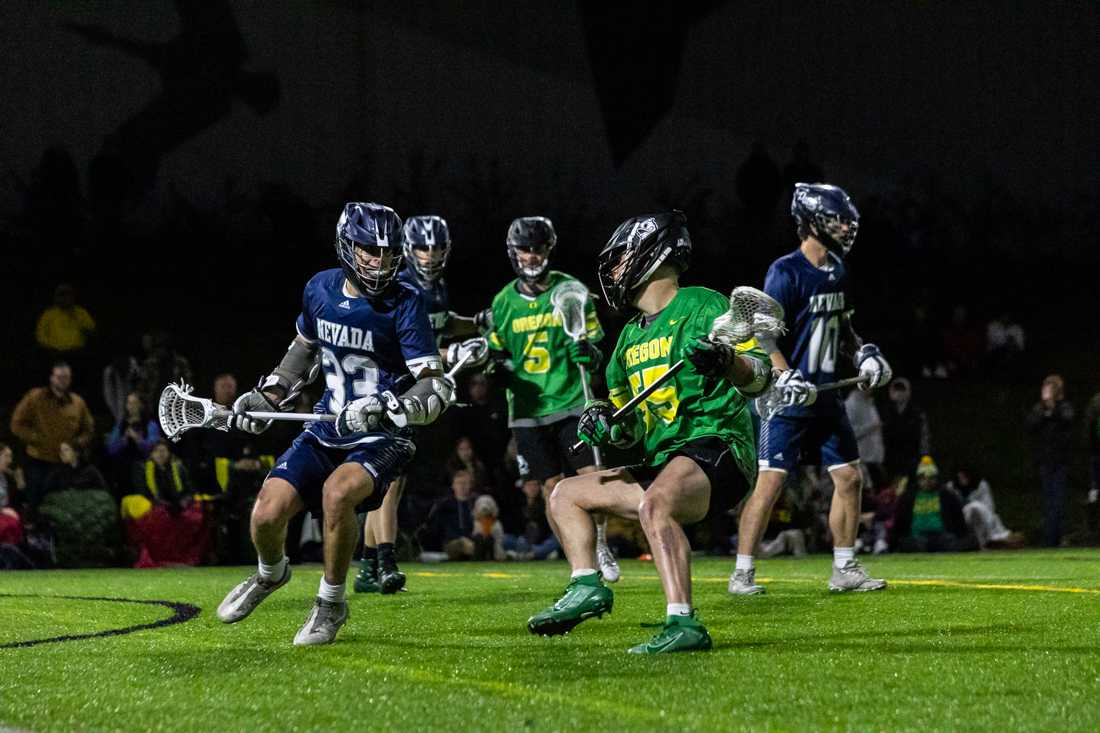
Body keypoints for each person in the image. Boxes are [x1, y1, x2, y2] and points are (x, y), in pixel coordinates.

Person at [527, 211, 772, 653]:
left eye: (621, 258)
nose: (615, 270)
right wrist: (605, 422)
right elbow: (631, 427)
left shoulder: (703, 305)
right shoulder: (626, 342)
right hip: (667, 461)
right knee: (565, 494)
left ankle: (684, 623)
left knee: (657, 503)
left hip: (720, 450)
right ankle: (587, 586)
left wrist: (725, 362)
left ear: (651, 253)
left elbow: (760, 377)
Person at [215, 202, 454, 646]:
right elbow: (303, 351)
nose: (378, 261)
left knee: (337, 492)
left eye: (387, 252)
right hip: (328, 426)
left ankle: (331, 602)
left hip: (384, 434)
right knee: (266, 513)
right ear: (347, 244)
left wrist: (386, 406)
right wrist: (267, 395)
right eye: (368, 249)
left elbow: (434, 389)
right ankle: (271, 574)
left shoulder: (405, 302)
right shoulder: (320, 289)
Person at [729, 183, 892, 596]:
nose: (843, 225)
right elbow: (765, 336)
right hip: (788, 397)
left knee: (850, 478)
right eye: (835, 218)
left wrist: (865, 354)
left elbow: (844, 326)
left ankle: (844, 567)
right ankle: (742, 572)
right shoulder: (784, 271)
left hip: (826, 394)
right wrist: (784, 375)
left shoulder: (838, 267)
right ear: (812, 221)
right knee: (771, 483)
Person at [354, 215, 487, 595]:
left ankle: (367, 568)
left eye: (437, 247)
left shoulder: (437, 287)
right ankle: (386, 561)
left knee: (392, 481)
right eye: (423, 247)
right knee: (389, 483)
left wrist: (477, 324)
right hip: (392, 388)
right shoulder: (400, 286)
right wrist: (450, 351)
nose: (430, 255)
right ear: (408, 250)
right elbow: (406, 344)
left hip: (417, 397)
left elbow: (442, 324)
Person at [485, 216, 619, 582]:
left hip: (572, 399)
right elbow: (498, 354)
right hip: (528, 411)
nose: (531, 256)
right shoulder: (502, 302)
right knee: (551, 488)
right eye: (525, 249)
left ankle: (601, 543)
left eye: (537, 249)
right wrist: (497, 368)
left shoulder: (570, 289)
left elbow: (596, 346)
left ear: (548, 250)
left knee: (595, 479)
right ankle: (577, 558)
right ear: (513, 253)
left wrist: (589, 354)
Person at [10, 362, 96, 504]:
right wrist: (36, 438)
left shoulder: (78, 402)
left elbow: (89, 429)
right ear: (51, 378)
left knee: (62, 503)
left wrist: (76, 445)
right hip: (39, 460)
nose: (63, 380)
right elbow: (16, 424)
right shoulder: (35, 397)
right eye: (59, 377)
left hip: (66, 463)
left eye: (66, 377)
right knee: (37, 501)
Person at [1025, 374, 1075, 547]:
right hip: (1045, 462)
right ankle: (1049, 539)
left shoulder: (1064, 407)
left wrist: (1052, 409)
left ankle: (1057, 537)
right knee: (1048, 501)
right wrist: (1045, 412)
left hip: (1060, 462)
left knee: (1058, 501)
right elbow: (1030, 424)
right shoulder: (1039, 408)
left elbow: (1067, 419)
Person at [893, 456, 976, 552]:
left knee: (961, 542)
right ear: (918, 479)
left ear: (936, 478)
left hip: (942, 536)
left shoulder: (947, 496)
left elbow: (959, 521)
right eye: (923, 478)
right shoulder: (908, 498)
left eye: (931, 478)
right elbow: (899, 522)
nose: (927, 482)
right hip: (918, 538)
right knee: (909, 543)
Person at [946, 466, 1020, 549]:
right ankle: (998, 536)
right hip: (961, 519)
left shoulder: (981, 485)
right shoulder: (951, 487)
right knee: (974, 506)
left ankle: (994, 540)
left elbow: (990, 507)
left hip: (983, 518)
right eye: (960, 477)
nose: (962, 480)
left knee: (978, 509)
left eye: (965, 477)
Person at [105, 391, 161, 493]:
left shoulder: (150, 424)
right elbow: (110, 448)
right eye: (129, 403)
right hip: (123, 469)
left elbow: (155, 448)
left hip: (144, 468)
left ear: (141, 405)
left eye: (134, 403)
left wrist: (139, 440)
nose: (131, 406)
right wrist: (124, 440)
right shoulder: (121, 425)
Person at [881, 377, 931, 485]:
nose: (899, 393)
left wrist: (924, 455)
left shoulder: (917, 413)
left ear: (908, 392)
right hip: (890, 458)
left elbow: (924, 435)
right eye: (896, 389)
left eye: (902, 390)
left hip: (911, 458)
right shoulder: (885, 411)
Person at [44, 441, 108, 494]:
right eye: (61, 451)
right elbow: (48, 490)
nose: (62, 453)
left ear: (76, 452)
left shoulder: (90, 471)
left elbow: (103, 491)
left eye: (66, 450)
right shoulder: (56, 471)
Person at [0, 444, 26, 546]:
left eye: (10, 456)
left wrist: (20, 483)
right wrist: (2, 510)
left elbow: (19, 502)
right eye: (6, 456)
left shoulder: (7, 476)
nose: (10, 460)